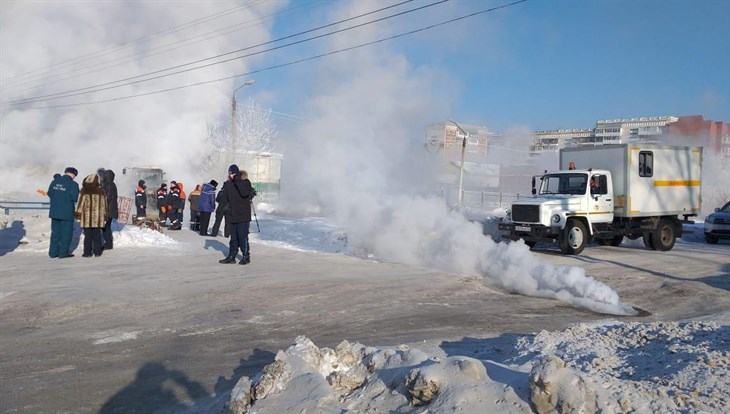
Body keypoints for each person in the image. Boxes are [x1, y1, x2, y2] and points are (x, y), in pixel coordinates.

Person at [219, 164, 255, 265]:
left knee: (242, 237)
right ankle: (232, 256)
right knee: (233, 238)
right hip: (232, 215)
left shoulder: (245, 182)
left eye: (232, 173)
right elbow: (224, 198)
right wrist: (221, 208)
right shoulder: (228, 184)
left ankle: (246, 256)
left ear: (237, 173)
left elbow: (244, 193)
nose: (230, 175)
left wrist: (237, 180)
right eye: (229, 173)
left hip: (243, 215)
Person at [48, 167, 80, 258]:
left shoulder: (54, 181)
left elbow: (50, 193)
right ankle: (63, 253)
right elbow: (75, 197)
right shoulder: (73, 184)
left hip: (54, 211)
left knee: (55, 233)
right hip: (67, 212)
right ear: (74, 174)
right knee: (66, 234)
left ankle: (53, 253)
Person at [76, 174, 108, 257]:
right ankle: (97, 252)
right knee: (97, 236)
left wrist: (78, 214)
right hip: (97, 218)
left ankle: (87, 253)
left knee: (87, 236)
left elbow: (79, 203)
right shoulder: (101, 191)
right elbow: (104, 205)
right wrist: (105, 216)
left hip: (86, 218)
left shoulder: (83, 190)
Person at [102, 169, 118, 250]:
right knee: (106, 226)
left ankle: (108, 244)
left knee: (105, 227)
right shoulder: (112, 184)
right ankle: (108, 243)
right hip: (111, 209)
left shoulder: (108, 185)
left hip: (107, 209)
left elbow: (107, 198)